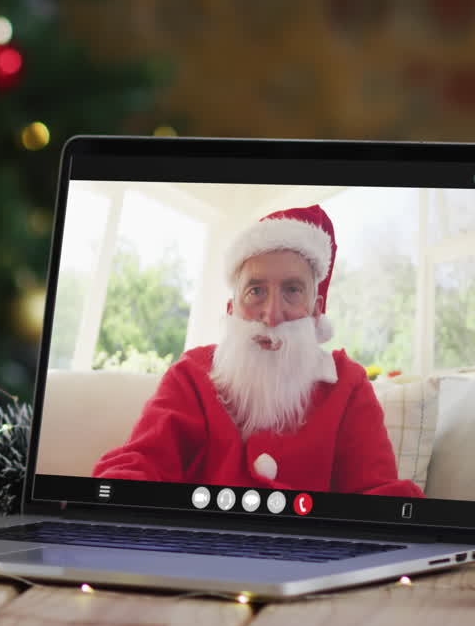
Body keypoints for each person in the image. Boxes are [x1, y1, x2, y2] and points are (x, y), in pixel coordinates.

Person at [92, 204, 423, 497]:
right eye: (255, 291)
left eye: (292, 290)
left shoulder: (348, 384)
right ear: (231, 307)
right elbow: (141, 461)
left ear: (316, 310)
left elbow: (377, 494)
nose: (272, 315)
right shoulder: (192, 373)